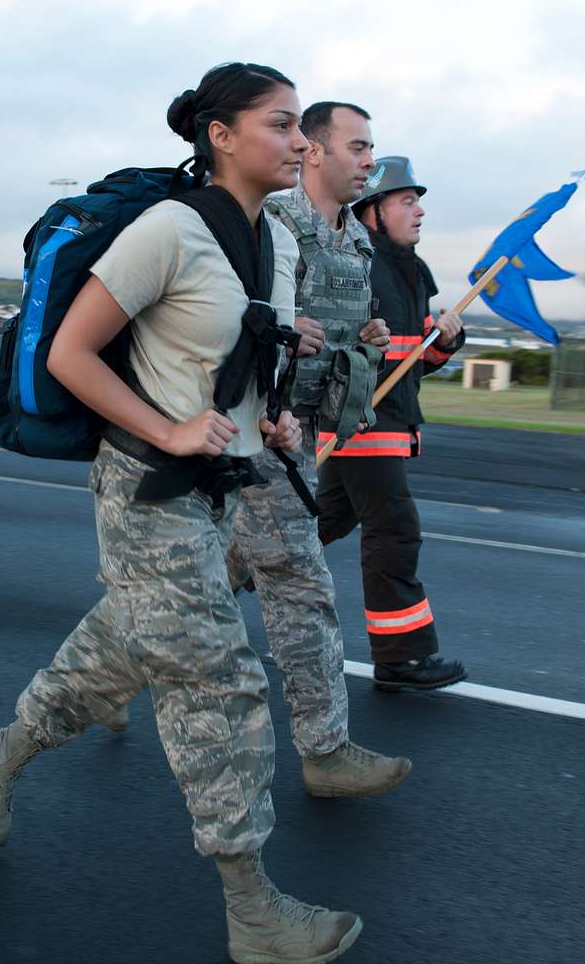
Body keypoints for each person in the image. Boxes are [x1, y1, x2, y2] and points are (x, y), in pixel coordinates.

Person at [0, 63, 366, 964]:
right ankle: (251, 906)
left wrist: (279, 418)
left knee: (118, 651)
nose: (299, 142)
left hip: (222, 490)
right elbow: (72, 353)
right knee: (217, 680)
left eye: (303, 126)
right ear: (219, 134)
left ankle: (3, 746)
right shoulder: (168, 230)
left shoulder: (280, 245)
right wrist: (168, 430)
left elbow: (245, 358)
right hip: (143, 491)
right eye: (280, 123)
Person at [227, 102, 412, 794]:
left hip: (299, 436)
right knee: (302, 583)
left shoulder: (355, 245)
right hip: (251, 436)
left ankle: (102, 673)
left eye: (371, 147)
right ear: (314, 152)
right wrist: (276, 331)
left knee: (206, 585)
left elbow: (331, 345)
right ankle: (324, 750)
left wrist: (356, 344)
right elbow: (219, 325)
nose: (369, 160)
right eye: (359, 146)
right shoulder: (272, 229)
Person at [316, 156, 468, 691]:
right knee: (394, 529)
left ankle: (221, 576)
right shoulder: (355, 262)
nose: (420, 210)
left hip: (390, 420)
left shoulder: (411, 269)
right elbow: (346, 347)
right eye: (408, 200)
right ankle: (400, 657)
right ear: (373, 211)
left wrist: (445, 341)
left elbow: (414, 354)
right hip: (361, 423)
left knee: (318, 522)